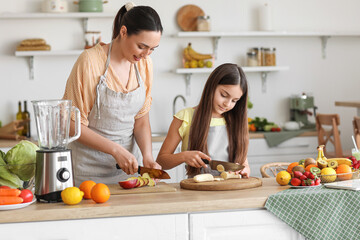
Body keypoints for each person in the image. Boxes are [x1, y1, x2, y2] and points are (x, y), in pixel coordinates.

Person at [62, 2, 163, 185]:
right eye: (142, 46)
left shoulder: (145, 65)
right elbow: (71, 124)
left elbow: (141, 119)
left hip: (129, 173)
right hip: (87, 174)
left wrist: (147, 157)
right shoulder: (90, 62)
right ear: (123, 32)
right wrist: (115, 150)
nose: (146, 55)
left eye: (152, 49)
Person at [156, 63, 250, 178]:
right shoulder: (186, 117)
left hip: (231, 190)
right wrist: (184, 156)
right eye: (224, 95)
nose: (227, 104)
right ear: (212, 86)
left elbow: (244, 164)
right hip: (195, 192)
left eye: (234, 101)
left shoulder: (237, 122)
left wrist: (244, 169)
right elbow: (161, 161)